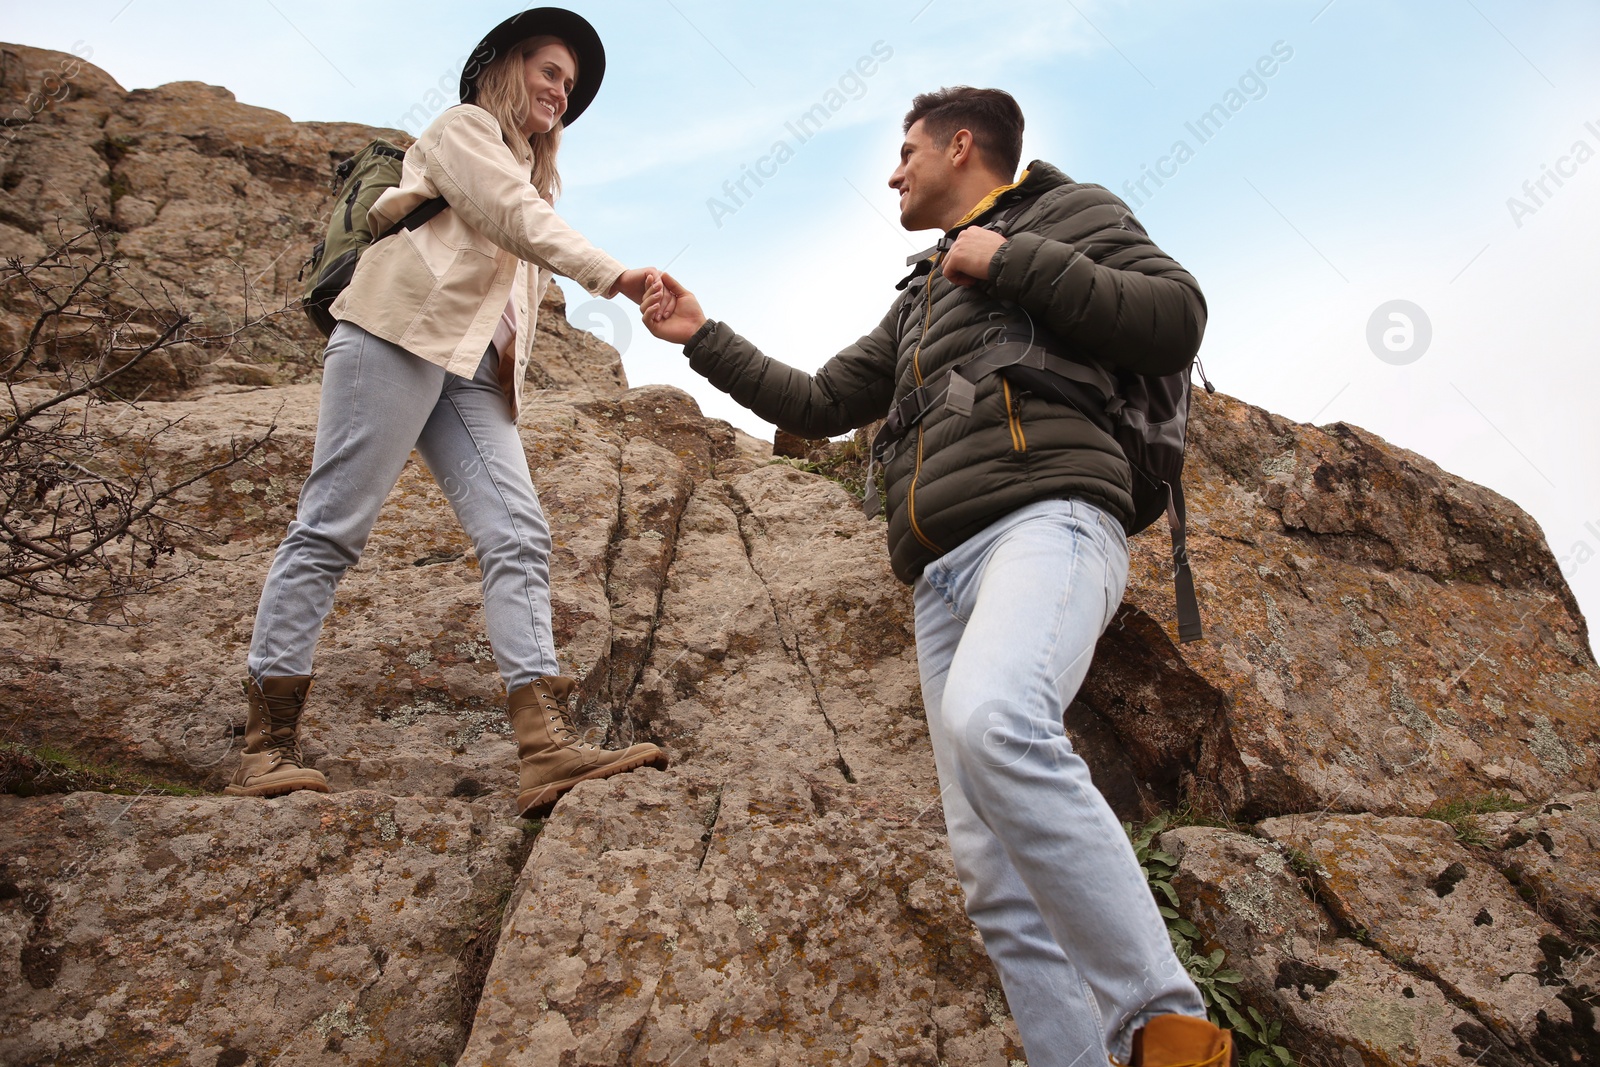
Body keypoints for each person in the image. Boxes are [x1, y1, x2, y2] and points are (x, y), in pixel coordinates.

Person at [642, 88, 1230, 1067]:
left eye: (907, 150)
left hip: (1048, 519)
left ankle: (1165, 1026)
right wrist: (704, 334)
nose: (892, 171)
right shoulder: (920, 290)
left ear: (964, 146)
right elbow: (824, 398)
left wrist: (1011, 259)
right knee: (992, 875)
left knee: (998, 720)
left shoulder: (1066, 211)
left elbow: (1175, 317)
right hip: (938, 580)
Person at [229, 8, 669, 818]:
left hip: (472, 376)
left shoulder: (533, 181)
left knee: (519, 531)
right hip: (394, 334)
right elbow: (513, 216)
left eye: (569, 86)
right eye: (549, 73)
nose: (560, 95)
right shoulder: (463, 129)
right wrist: (619, 277)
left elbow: (517, 269)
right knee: (332, 527)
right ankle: (265, 746)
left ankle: (544, 749)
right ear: (503, 67)